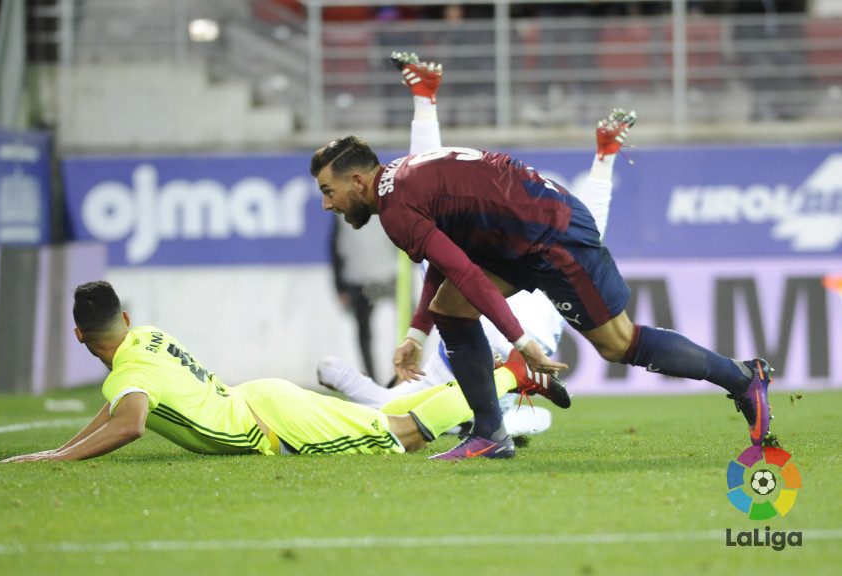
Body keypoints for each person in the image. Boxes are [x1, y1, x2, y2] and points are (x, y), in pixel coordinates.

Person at [310, 104, 777, 463]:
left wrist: (521, 341)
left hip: (552, 237)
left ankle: (742, 378)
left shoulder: (395, 209)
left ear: (356, 180)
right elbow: (449, 262)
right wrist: (417, 333)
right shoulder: (404, 177)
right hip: (521, 235)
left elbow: (467, 271)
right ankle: (490, 435)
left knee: (619, 345)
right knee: (449, 309)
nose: (328, 205)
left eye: (329, 192)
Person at [319, 51, 635, 437]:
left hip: (518, 329)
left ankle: (604, 157)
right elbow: (350, 382)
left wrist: (409, 341)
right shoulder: (427, 391)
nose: (327, 203)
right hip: (517, 329)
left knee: (418, 207)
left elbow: (363, 390)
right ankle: (425, 98)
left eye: (327, 192)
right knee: (419, 198)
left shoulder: (426, 388)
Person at [0, 281, 547, 463]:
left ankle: (508, 376)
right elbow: (118, 408)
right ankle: (509, 374)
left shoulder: (125, 378)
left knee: (399, 437)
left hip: (273, 425)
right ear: (123, 317)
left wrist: (61, 457)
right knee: (385, 414)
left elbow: (131, 422)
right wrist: (64, 447)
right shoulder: (145, 339)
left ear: (79, 336)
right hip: (263, 398)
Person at [329, 212, 398, 382]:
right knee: (365, 333)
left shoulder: (388, 202)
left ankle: (401, 375)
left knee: (412, 327)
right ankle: (373, 381)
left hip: (390, 276)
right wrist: (340, 287)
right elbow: (336, 247)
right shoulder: (341, 210)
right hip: (364, 280)